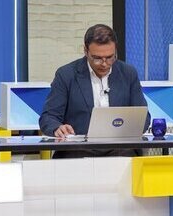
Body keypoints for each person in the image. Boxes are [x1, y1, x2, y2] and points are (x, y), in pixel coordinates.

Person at [40, 23, 147, 157]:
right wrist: (57, 128)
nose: (104, 64)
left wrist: (131, 129)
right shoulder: (66, 75)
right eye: (97, 58)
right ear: (86, 51)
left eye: (110, 57)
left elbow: (144, 117)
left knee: (126, 156)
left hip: (120, 148)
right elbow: (48, 117)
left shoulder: (128, 73)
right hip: (78, 149)